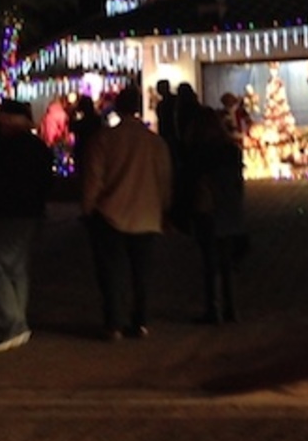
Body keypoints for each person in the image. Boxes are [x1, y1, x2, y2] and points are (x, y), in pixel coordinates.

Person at [81, 84, 173, 341]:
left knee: (111, 272)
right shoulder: (155, 143)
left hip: (110, 214)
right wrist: (164, 209)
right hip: (146, 214)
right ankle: (140, 320)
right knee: (141, 273)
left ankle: (114, 323)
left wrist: (88, 209)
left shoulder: (103, 139)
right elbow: (164, 179)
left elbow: (93, 179)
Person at [0, 99, 53, 353]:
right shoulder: (39, 148)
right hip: (30, 212)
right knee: (16, 267)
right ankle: (16, 321)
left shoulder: (5, 148)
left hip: (8, 212)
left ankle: (10, 324)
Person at [175, 84, 245, 324]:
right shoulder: (230, 151)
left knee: (209, 262)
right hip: (229, 209)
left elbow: (190, 182)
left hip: (207, 210)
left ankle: (213, 308)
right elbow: (238, 182)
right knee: (227, 262)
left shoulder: (197, 152)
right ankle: (231, 308)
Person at [68, 94, 102, 183]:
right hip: (96, 152)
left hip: (82, 152)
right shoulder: (98, 120)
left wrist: (73, 112)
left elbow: (71, 127)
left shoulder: (81, 123)